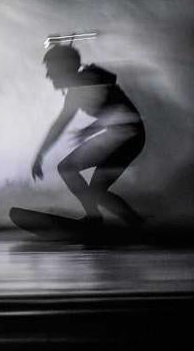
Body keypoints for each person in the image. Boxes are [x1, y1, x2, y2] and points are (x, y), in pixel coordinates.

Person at [30, 38, 145, 227]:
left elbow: (122, 113)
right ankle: (107, 219)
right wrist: (40, 155)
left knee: (92, 187)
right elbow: (59, 125)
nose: (48, 75)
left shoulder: (89, 81)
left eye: (50, 69)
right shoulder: (77, 91)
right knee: (71, 171)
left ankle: (124, 223)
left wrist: (91, 129)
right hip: (116, 136)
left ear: (63, 69)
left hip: (129, 137)